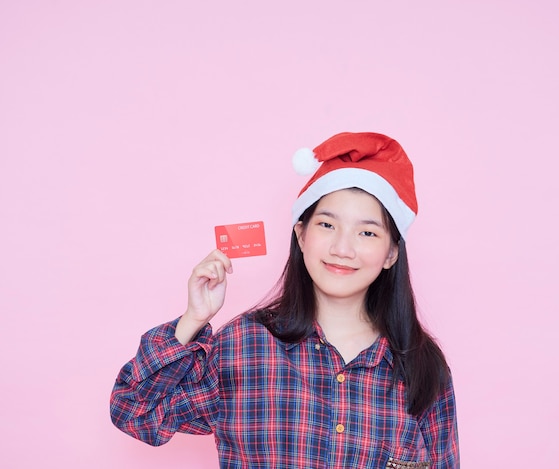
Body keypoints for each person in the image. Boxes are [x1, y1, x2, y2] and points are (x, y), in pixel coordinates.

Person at [110, 132, 459, 468]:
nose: (342, 248)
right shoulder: (245, 347)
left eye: (367, 232)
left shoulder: (424, 369)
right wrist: (193, 319)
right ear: (301, 234)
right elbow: (135, 412)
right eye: (326, 225)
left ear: (391, 253)